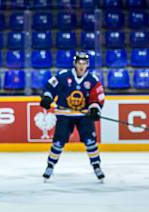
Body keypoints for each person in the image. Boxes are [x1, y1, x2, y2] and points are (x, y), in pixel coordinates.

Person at [40, 51, 105, 181]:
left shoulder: (93, 80)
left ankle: (96, 165)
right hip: (65, 114)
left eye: (84, 63)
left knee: (90, 141)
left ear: (88, 65)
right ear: (75, 63)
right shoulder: (63, 76)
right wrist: (47, 97)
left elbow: (97, 97)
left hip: (83, 115)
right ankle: (50, 165)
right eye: (79, 63)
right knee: (58, 141)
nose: (81, 66)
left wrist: (94, 108)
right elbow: (49, 87)